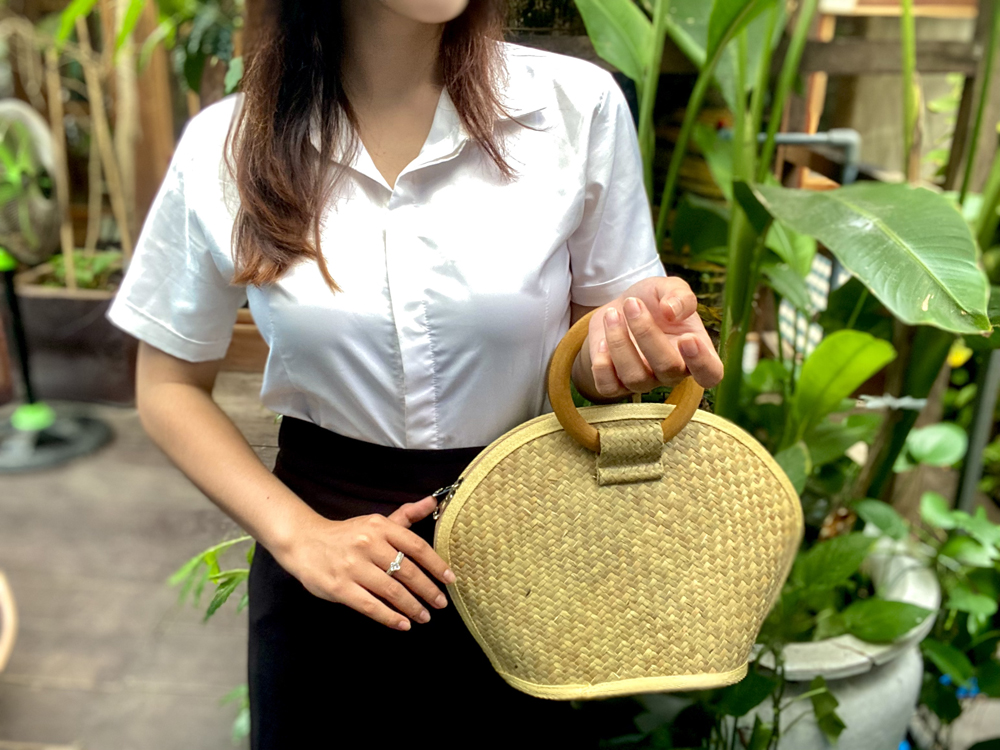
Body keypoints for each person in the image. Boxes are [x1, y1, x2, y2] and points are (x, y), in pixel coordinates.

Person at [106, 0, 724, 746]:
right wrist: (298, 537)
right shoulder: (229, 144)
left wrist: (635, 341)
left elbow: (592, 358)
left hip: (526, 557)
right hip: (328, 572)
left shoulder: (572, 107)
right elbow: (167, 385)